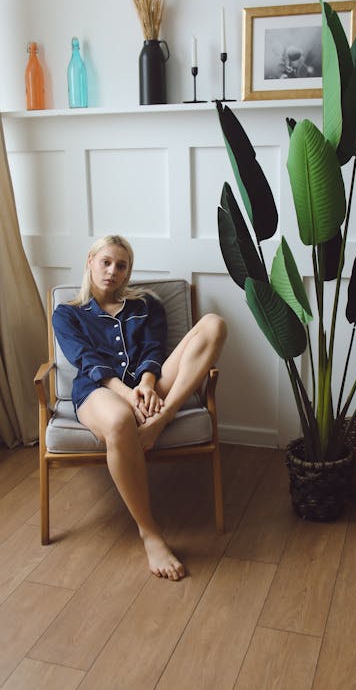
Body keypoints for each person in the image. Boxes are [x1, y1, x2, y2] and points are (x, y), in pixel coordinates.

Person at [52, 234, 227, 581]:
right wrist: (125, 393)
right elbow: (86, 361)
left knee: (213, 324)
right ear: (90, 262)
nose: (112, 271)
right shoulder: (67, 314)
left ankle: (161, 420)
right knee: (119, 421)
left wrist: (146, 384)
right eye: (105, 262)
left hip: (150, 386)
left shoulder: (148, 304)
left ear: (128, 272)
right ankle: (150, 533)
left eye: (121, 265)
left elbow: (153, 348)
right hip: (99, 390)